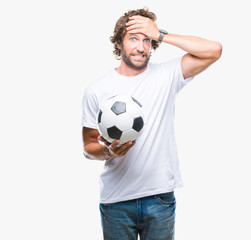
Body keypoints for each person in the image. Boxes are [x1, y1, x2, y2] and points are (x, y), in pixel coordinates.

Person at [82, 7, 222, 240]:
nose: (140, 46)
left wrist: (161, 34)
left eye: (147, 40)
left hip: (159, 198)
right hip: (116, 202)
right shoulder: (97, 90)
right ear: (119, 44)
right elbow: (88, 147)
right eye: (133, 38)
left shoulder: (166, 75)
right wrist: (108, 151)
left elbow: (214, 50)